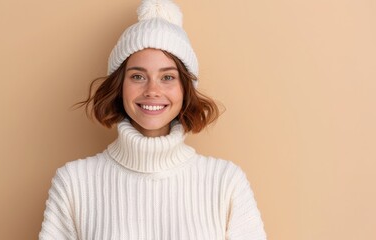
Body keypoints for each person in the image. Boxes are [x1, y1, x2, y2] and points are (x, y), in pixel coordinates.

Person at [39, 0, 266, 239]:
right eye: (138, 76)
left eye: (167, 77)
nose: (152, 90)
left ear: (185, 88)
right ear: (119, 87)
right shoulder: (74, 182)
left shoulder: (225, 182)